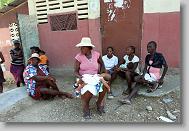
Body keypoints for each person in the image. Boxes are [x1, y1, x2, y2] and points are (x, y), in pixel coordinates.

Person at [74, 37, 110, 119]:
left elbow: (102, 64)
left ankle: (99, 102)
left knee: (105, 85)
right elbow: (75, 71)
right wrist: (81, 77)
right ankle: (86, 106)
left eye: (83, 47)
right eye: (81, 47)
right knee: (88, 89)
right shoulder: (78, 57)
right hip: (84, 78)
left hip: (95, 77)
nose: (81, 49)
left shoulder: (97, 54)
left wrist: (102, 73)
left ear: (89, 48)